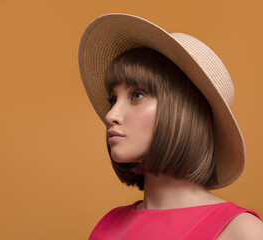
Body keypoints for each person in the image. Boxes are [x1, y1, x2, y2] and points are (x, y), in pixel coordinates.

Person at [78, 13, 263, 239]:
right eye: (113, 100)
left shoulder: (240, 232)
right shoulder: (107, 227)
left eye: (136, 95)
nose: (111, 115)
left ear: (183, 112)